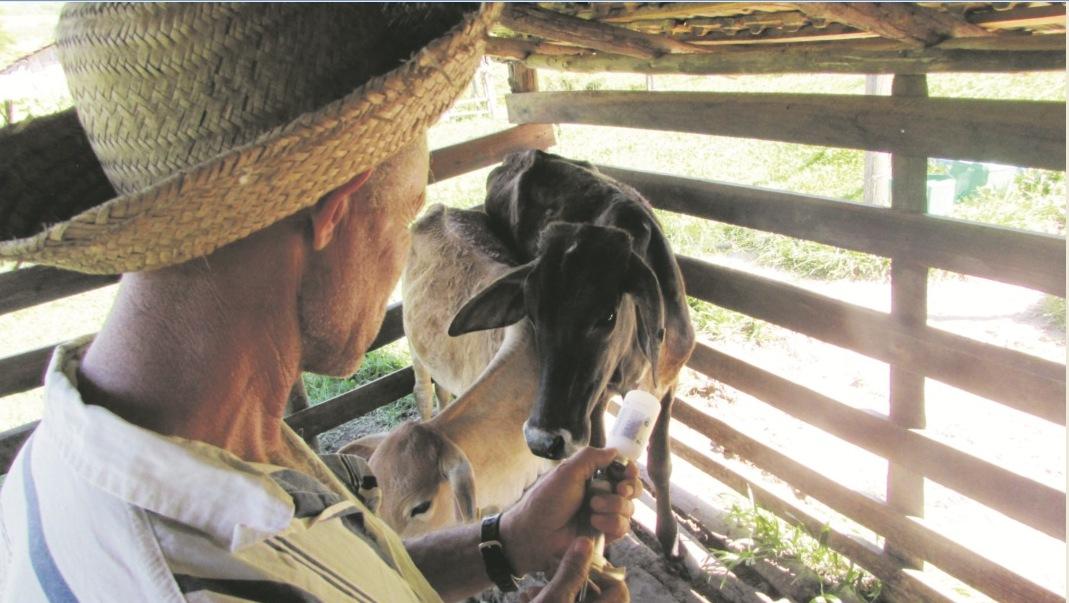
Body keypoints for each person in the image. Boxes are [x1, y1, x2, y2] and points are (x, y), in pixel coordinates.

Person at [0, 5, 639, 602]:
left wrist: (508, 541)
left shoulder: (101, 452)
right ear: (335, 209)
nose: (399, 263)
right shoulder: (194, 579)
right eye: (405, 214)